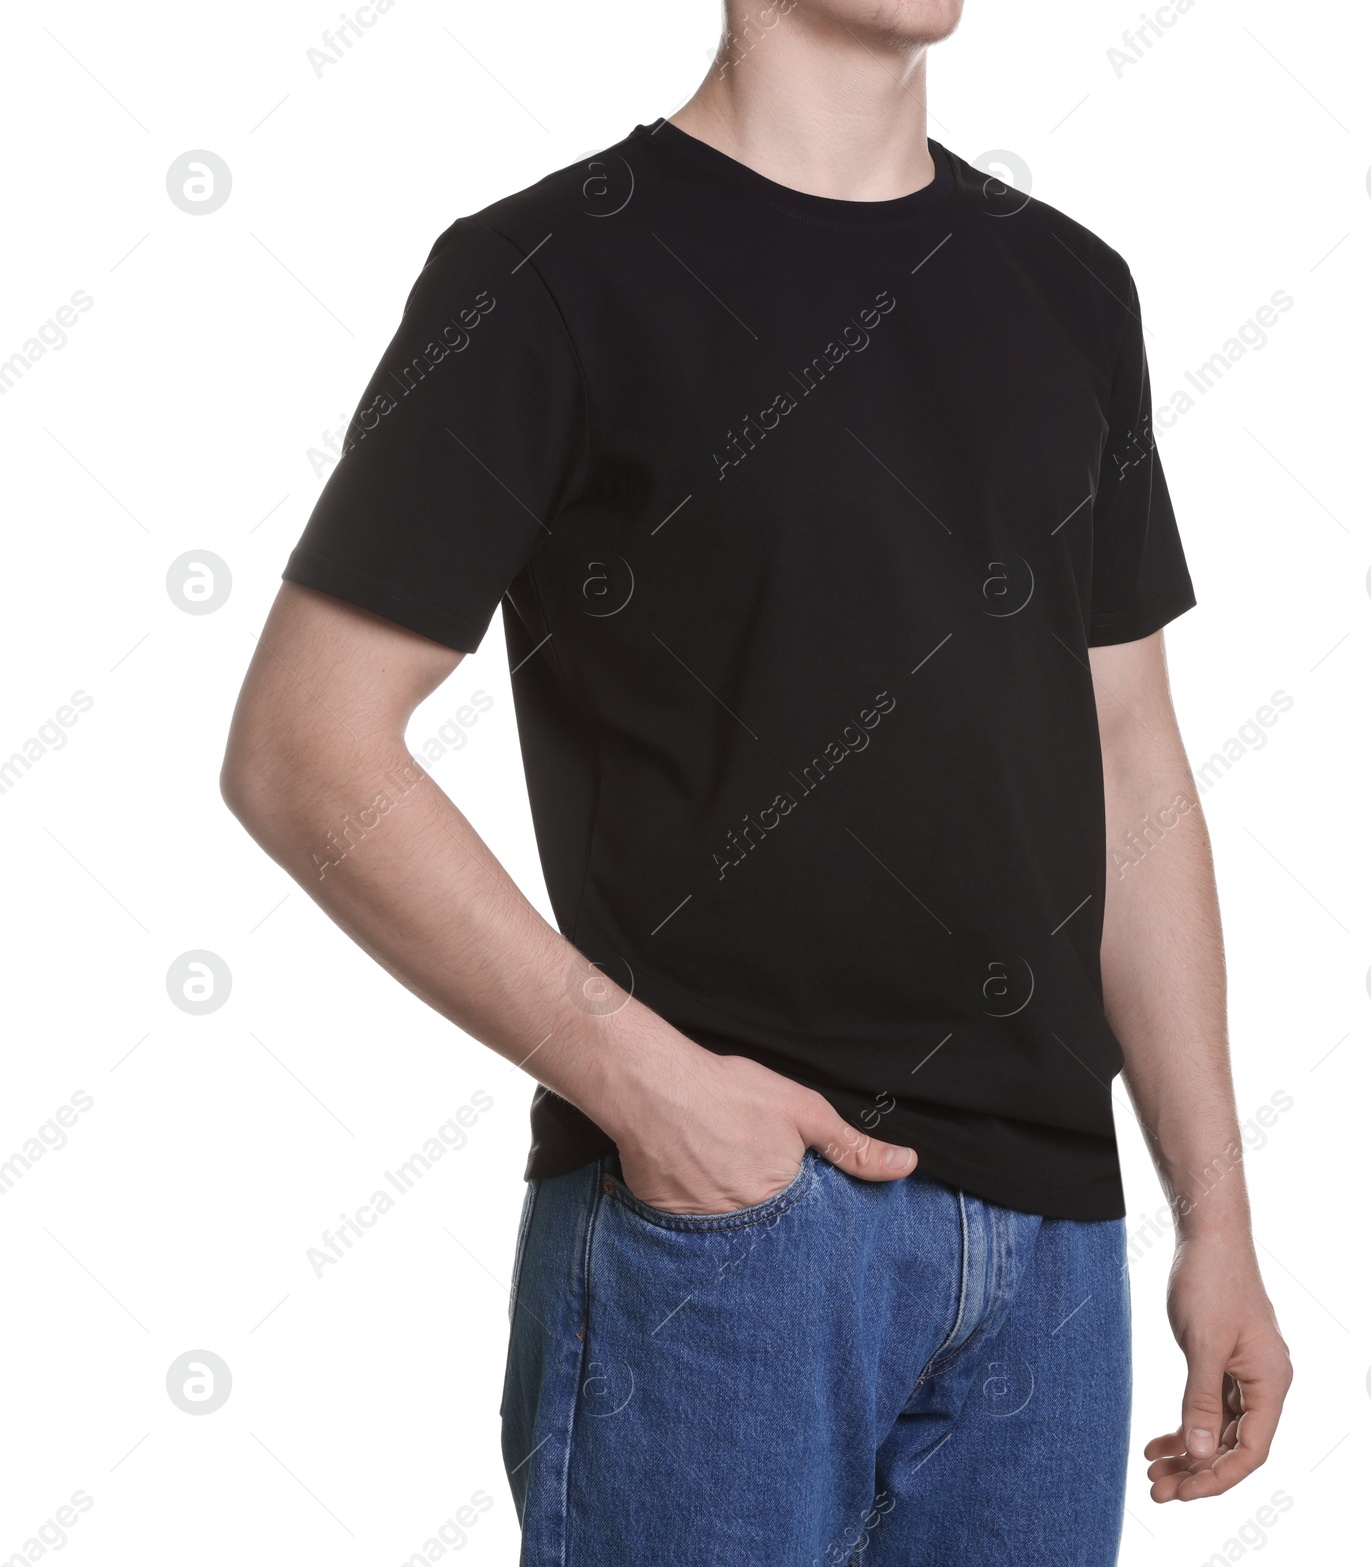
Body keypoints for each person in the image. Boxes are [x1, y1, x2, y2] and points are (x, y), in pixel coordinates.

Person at [221, 1, 1291, 1561]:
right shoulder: (548, 273)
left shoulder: (1069, 288)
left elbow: (1133, 765)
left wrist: (1219, 1219)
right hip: (726, 1243)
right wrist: (650, 1090)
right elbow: (303, 747)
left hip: (1056, 1264)